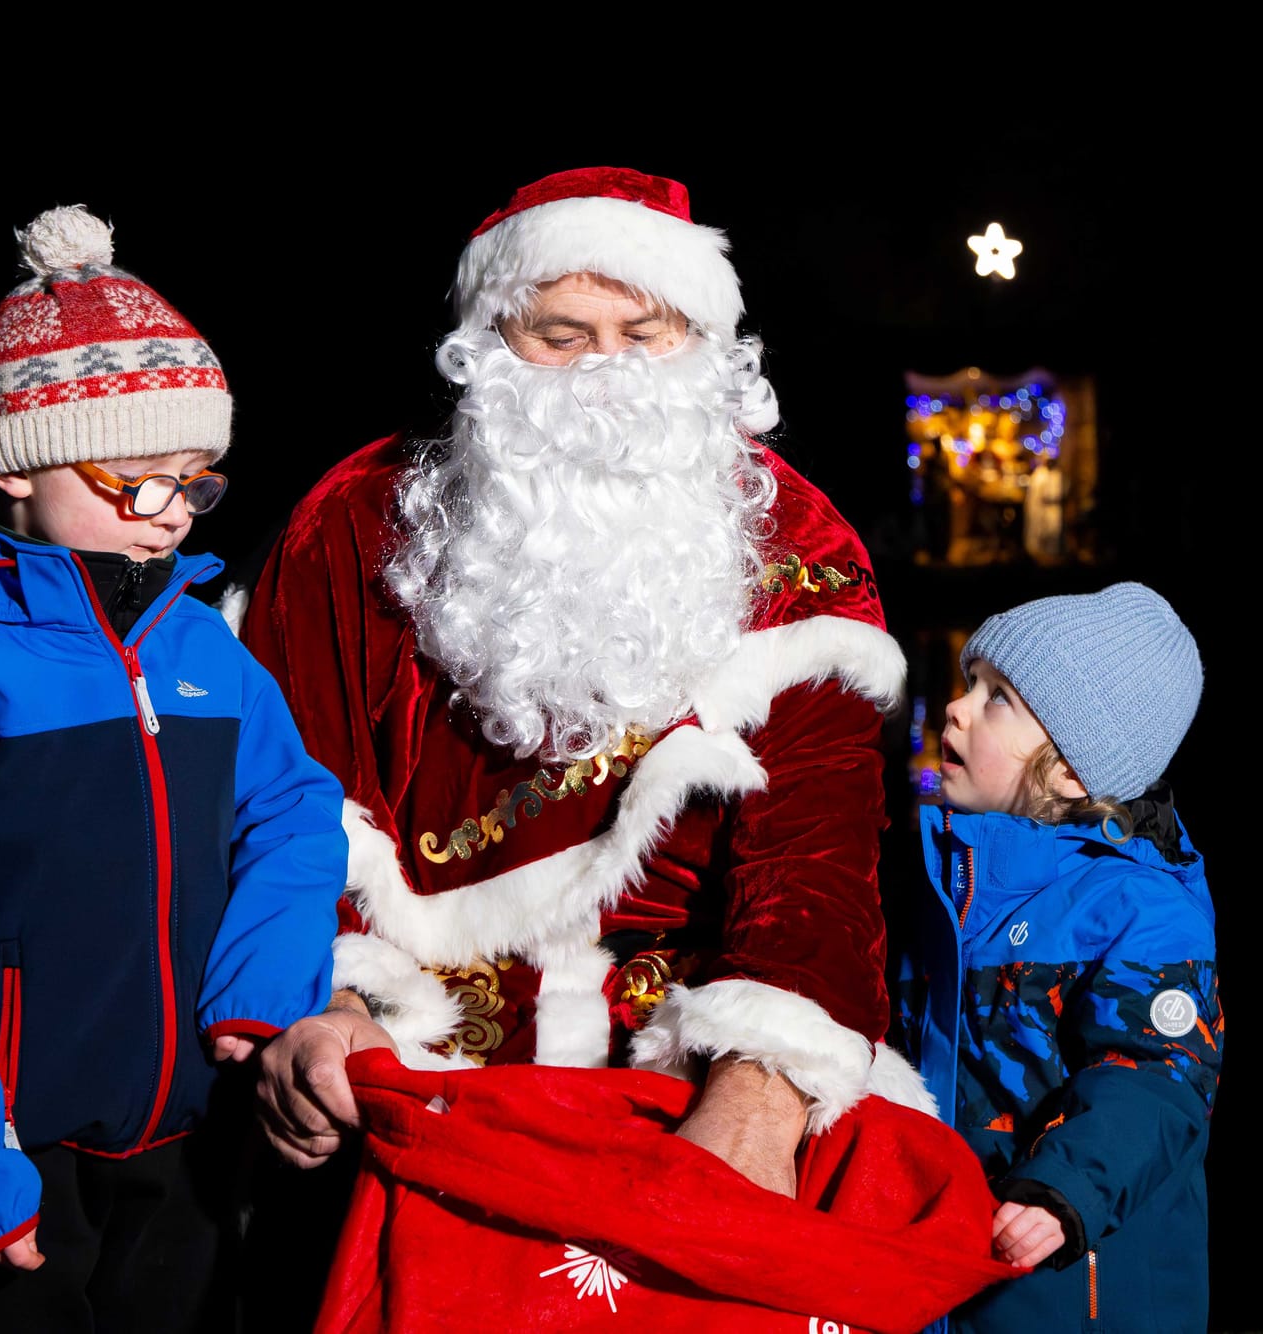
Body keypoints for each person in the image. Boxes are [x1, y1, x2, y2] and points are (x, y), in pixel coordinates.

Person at [237, 167, 931, 1200]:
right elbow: (287, 803)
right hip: (423, 1055)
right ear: (485, 343)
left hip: (679, 1043)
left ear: (701, 344)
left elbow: (816, 857)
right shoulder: (352, 520)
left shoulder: (797, 542)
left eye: (644, 333)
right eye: (559, 336)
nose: (604, 371)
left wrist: (760, 1079)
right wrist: (335, 998)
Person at [0, 205, 351, 1332]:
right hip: (18, 1152)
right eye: (131, 479)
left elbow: (299, 809)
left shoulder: (202, 643)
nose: (167, 512)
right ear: (18, 470)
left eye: (194, 478)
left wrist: (263, 988)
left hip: (192, 1135)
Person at [891, 580, 1222, 1332]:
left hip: (1067, 1292)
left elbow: (1159, 1076)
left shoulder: (1139, 907)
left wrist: (1062, 1191)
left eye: (998, 697)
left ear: (1072, 768)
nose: (957, 706)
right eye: (972, 682)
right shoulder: (948, 887)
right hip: (934, 1274)